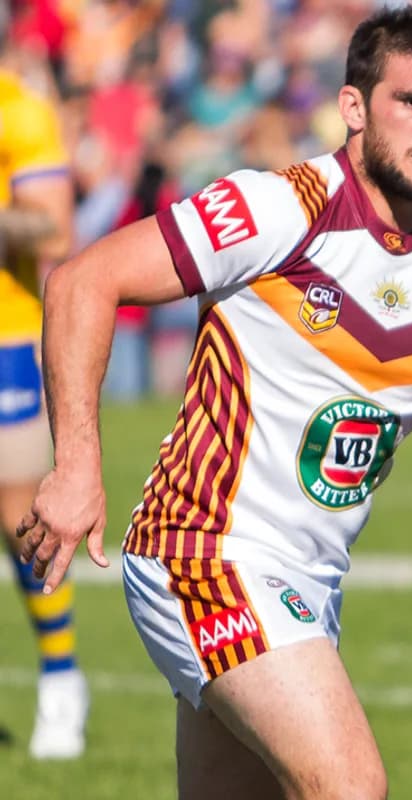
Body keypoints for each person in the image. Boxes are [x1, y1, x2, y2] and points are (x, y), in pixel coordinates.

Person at [17, 5, 412, 797]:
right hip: (204, 550)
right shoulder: (279, 208)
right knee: (350, 787)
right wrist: (76, 467)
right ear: (354, 107)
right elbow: (84, 281)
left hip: (310, 581)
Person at [0, 28, 88, 758]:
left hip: (7, 338)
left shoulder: (18, 110)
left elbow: (54, 229)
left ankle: (61, 678)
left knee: (18, 514)